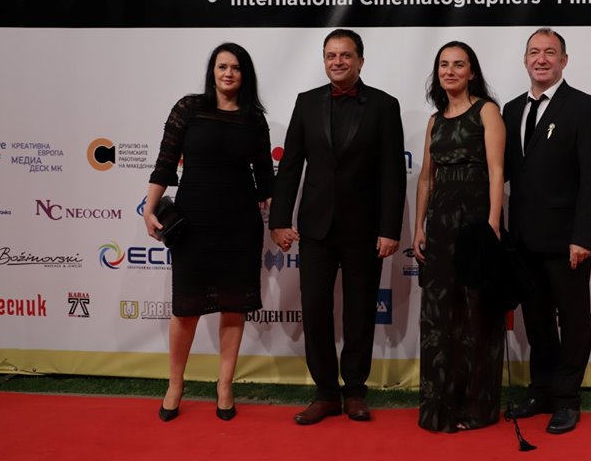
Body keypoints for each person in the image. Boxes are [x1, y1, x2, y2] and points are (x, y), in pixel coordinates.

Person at [269, 29, 406, 425]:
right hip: (315, 228)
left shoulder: (385, 105)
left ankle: (355, 392)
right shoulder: (306, 102)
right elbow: (290, 165)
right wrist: (279, 221)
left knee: (360, 312)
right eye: (331, 55)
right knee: (314, 309)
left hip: (365, 229)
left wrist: (390, 228)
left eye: (346, 55)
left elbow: (393, 173)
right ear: (324, 60)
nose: (338, 62)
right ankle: (326, 393)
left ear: (360, 60)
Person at [143, 42, 274, 422]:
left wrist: (280, 217)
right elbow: (165, 164)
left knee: (233, 306)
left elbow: (265, 178)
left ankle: (225, 385)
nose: (228, 73)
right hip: (193, 224)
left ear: (245, 75)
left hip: (239, 225)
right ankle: (175, 385)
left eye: (236, 67)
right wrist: (149, 208)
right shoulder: (189, 109)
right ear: (212, 72)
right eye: (222, 66)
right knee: (186, 309)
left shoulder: (254, 119)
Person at [502, 28, 591, 435]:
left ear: (564, 60)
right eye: (534, 52)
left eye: (550, 52)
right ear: (525, 60)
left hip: (567, 240)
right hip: (523, 239)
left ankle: (566, 399)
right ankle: (541, 391)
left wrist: (583, 235)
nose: (541, 59)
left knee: (573, 322)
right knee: (537, 321)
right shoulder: (511, 109)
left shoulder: (585, 107)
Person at [412, 41, 506, 432]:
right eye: (443, 65)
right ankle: (439, 407)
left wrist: (492, 224)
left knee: (476, 312)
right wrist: (418, 226)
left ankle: (476, 408)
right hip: (439, 225)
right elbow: (426, 178)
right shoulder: (435, 121)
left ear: (472, 72)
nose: (449, 71)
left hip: (475, 222)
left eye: (458, 64)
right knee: (439, 315)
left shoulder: (487, 111)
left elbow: (497, 172)